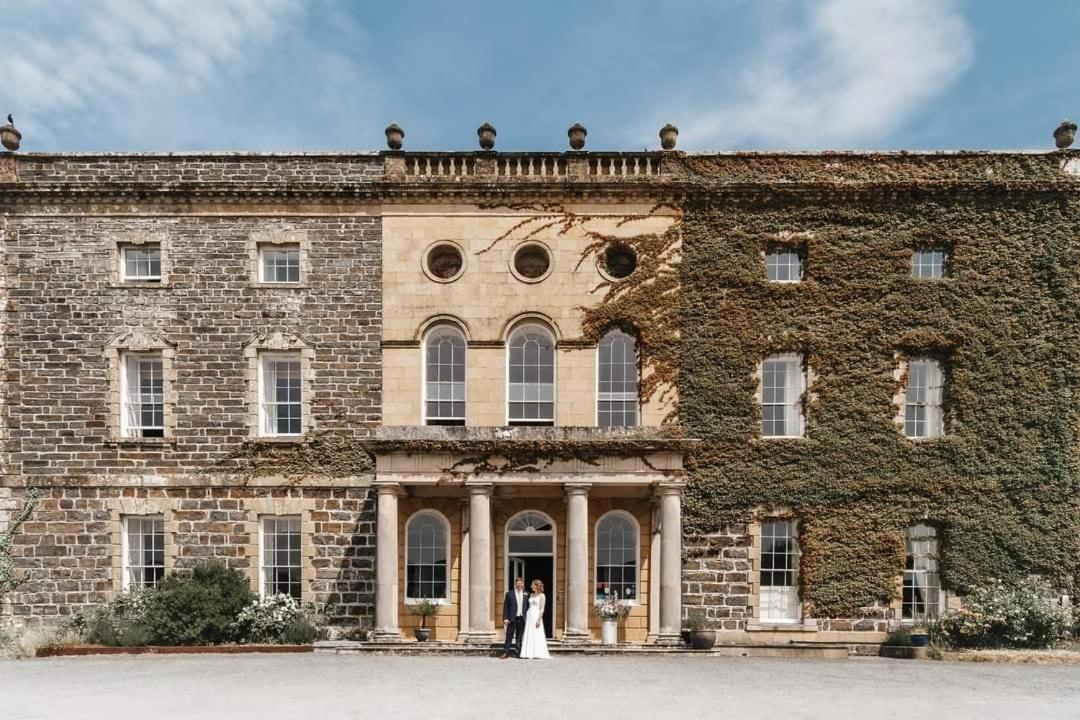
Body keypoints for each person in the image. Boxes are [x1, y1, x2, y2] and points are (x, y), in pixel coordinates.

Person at [518, 579, 551, 660]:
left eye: (532, 585)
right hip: (530, 615)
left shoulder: (542, 595)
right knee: (529, 633)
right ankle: (528, 652)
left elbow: (542, 609)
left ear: (536, 586)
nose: (531, 586)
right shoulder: (531, 595)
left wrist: (539, 619)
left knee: (536, 633)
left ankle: (537, 652)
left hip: (536, 615)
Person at [501, 577, 527, 659]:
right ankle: (505, 652)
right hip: (512, 618)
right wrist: (505, 618)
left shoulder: (526, 594)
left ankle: (518, 653)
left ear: (523, 584)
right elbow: (506, 607)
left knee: (519, 637)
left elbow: (528, 607)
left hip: (522, 618)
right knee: (509, 636)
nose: (519, 585)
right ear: (515, 584)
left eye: (521, 584)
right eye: (518, 584)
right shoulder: (509, 594)